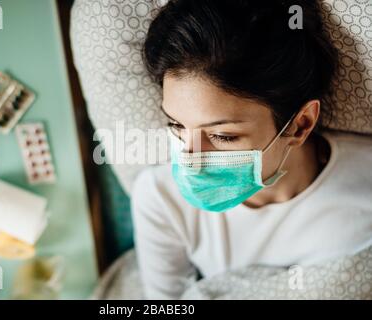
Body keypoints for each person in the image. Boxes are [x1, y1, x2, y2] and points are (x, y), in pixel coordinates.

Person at [132, 0, 372, 299]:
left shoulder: (365, 189)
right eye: (177, 125)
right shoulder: (160, 199)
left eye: (222, 136)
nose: (190, 159)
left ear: (300, 124)